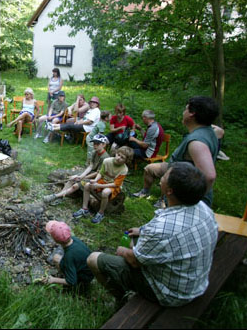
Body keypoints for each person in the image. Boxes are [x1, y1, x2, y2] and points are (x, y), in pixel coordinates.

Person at [87, 162, 218, 307]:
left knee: (93, 259)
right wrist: (142, 231)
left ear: (169, 191)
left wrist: (123, 252)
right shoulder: (204, 209)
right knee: (134, 239)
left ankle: (121, 299)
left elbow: (135, 262)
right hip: (195, 284)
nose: (161, 177)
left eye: (165, 176)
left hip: (171, 294)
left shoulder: (161, 229)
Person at [132, 96, 219, 208]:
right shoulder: (210, 130)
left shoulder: (197, 143)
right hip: (174, 168)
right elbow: (220, 131)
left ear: (192, 113)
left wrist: (188, 200)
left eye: (185, 109)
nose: (183, 113)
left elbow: (209, 176)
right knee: (149, 169)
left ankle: (164, 201)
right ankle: (146, 192)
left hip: (184, 193)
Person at [43, 134, 110, 205]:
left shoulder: (105, 158)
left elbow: (98, 173)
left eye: (97, 144)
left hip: (98, 178)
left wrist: (83, 178)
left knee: (76, 185)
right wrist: (81, 176)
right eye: (94, 143)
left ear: (103, 145)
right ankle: (60, 196)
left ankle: (55, 196)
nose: (95, 145)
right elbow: (90, 166)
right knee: (72, 179)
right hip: (91, 173)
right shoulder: (94, 152)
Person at [74, 146, 134, 224]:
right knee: (87, 185)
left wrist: (98, 186)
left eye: (122, 157)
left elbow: (116, 184)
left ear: (126, 160)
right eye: (118, 155)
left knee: (105, 193)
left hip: (113, 185)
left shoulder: (124, 169)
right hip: (103, 180)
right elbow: (101, 173)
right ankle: (84, 208)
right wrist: (95, 180)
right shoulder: (107, 161)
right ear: (116, 153)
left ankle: (100, 213)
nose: (119, 158)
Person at [41, 221, 94, 287]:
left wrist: (53, 280)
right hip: (90, 272)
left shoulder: (69, 256)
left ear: (56, 241)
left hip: (82, 280)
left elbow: (72, 281)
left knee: (56, 258)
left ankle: (65, 279)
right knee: (57, 257)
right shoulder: (75, 239)